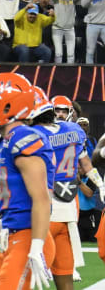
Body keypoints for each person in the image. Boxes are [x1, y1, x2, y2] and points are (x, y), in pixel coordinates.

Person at [0, 73, 56, 290]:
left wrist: (36, 247)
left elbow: (42, 199)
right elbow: (19, 205)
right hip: (14, 236)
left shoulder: (22, 138)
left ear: (8, 106)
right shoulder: (5, 142)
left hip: (28, 238)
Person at [30, 90, 105, 287]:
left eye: (65, 111)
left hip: (67, 197)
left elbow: (86, 163)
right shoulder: (41, 132)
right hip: (46, 195)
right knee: (38, 257)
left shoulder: (73, 131)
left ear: (71, 112)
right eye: (58, 110)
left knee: (64, 255)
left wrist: (100, 184)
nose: (61, 114)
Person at [81, 0, 105, 64]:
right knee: (90, 51)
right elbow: (83, 5)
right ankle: (89, 73)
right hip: (92, 25)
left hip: (104, 24)